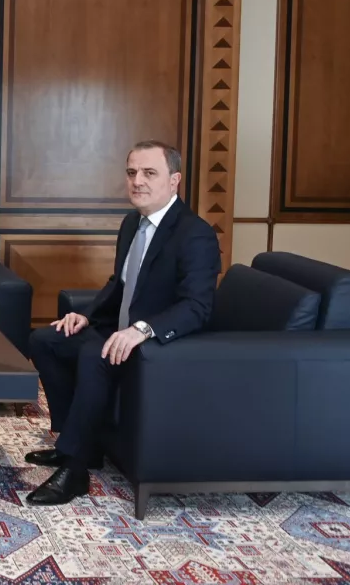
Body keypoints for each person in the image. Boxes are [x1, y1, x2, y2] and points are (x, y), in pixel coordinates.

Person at [24, 140, 220, 506]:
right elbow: (121, 283)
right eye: (132, 173)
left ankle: (75, 470)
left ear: (174, 180)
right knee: (45, 340)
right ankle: (76, 443)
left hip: (157, 346)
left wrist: (142, 330)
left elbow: (197, 307)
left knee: (94, 354)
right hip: (119, 328)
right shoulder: (132, 223)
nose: (137, 181)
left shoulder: (195, 234)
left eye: (149, 173)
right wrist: (86, 315)